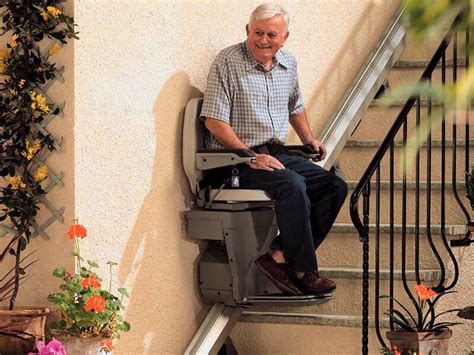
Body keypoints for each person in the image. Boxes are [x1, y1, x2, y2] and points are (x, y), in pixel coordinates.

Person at [200, 3, 347, 295]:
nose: (263, 40)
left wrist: (308, 138)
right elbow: (214, 121)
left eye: (271, 34)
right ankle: (304, 270)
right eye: (257, 32)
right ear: (247, 30)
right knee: (293, 184)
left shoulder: (288, 63)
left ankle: (278, 256)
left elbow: (296, 106)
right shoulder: (228, 61)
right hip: (234, 161)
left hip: (274, 153)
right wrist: (250, 156)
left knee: (334, 186)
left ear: (285, 37)